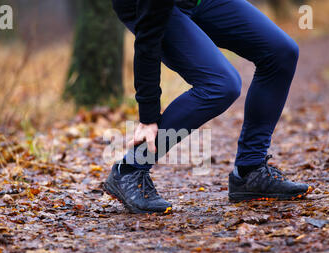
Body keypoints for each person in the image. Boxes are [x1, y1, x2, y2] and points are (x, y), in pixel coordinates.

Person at [104, 0, 312, 214]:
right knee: (221, 84)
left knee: (281, 52)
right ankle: (130, 169)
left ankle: (250, 171)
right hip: (148, 6)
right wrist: (148, 117)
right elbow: (148, 36)